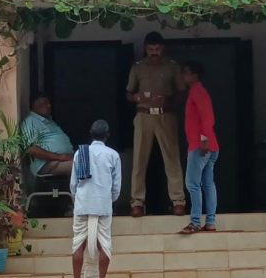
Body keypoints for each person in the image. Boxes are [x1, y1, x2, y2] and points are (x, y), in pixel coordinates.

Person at [126, 31, 187, 217]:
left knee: (172, 158)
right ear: (145, 48)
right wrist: (137, 97)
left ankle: (178, 200)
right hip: (143, 115)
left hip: (165, 114)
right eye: (151, 49)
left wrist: (168, 99)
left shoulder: (172, 67)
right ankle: (137, 202)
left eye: (157, 49)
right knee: (139, 160)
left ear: (163, 48)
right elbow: (128, 93)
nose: (154, 52)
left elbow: (182, 93)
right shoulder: (138, 67)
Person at [70, 120, 121, 278]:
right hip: (103, 205)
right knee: (104, 245)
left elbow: (73, 184)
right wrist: (110, 200)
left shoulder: (80, 153)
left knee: (78, 244)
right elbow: (116, 186)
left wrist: (77, 200)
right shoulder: (113, 155)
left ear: (91, 134)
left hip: (82, 204)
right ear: (107, 136)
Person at [178, 61, 220, 234]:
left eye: (186, 73)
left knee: (192, 183)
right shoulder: (198, 91)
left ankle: (195, 221)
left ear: (194, 75)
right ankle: (210, 221)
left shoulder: (197, 91)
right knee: (208, 184)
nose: (183, 76)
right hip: (210, 145)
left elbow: (207, 117)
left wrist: (203, 140)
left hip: (200, 145)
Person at [21, 94, 74, 177]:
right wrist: (60, 157)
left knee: (89, 162)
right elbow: (31, 149)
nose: (49, 106)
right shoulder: (30, 121)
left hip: (63, 160)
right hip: (49, 164)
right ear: (34, 105)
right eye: (45, 103)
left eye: (49, 103)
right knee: (82, 166)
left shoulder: (49, 120)